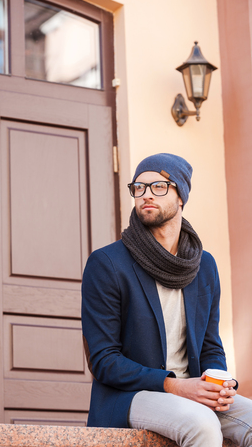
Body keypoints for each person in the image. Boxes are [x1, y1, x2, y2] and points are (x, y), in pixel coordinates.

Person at [81, 153, 252, 447]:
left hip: (192, 390)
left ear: (181, 196)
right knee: (203, 425)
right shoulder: (107, 263)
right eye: (139, 187)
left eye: (159, 187)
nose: (146, 195)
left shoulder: (204, 266)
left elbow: (210, 344)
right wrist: (174, 385)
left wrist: (218, 382)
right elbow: (103, 360)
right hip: (130, 396)